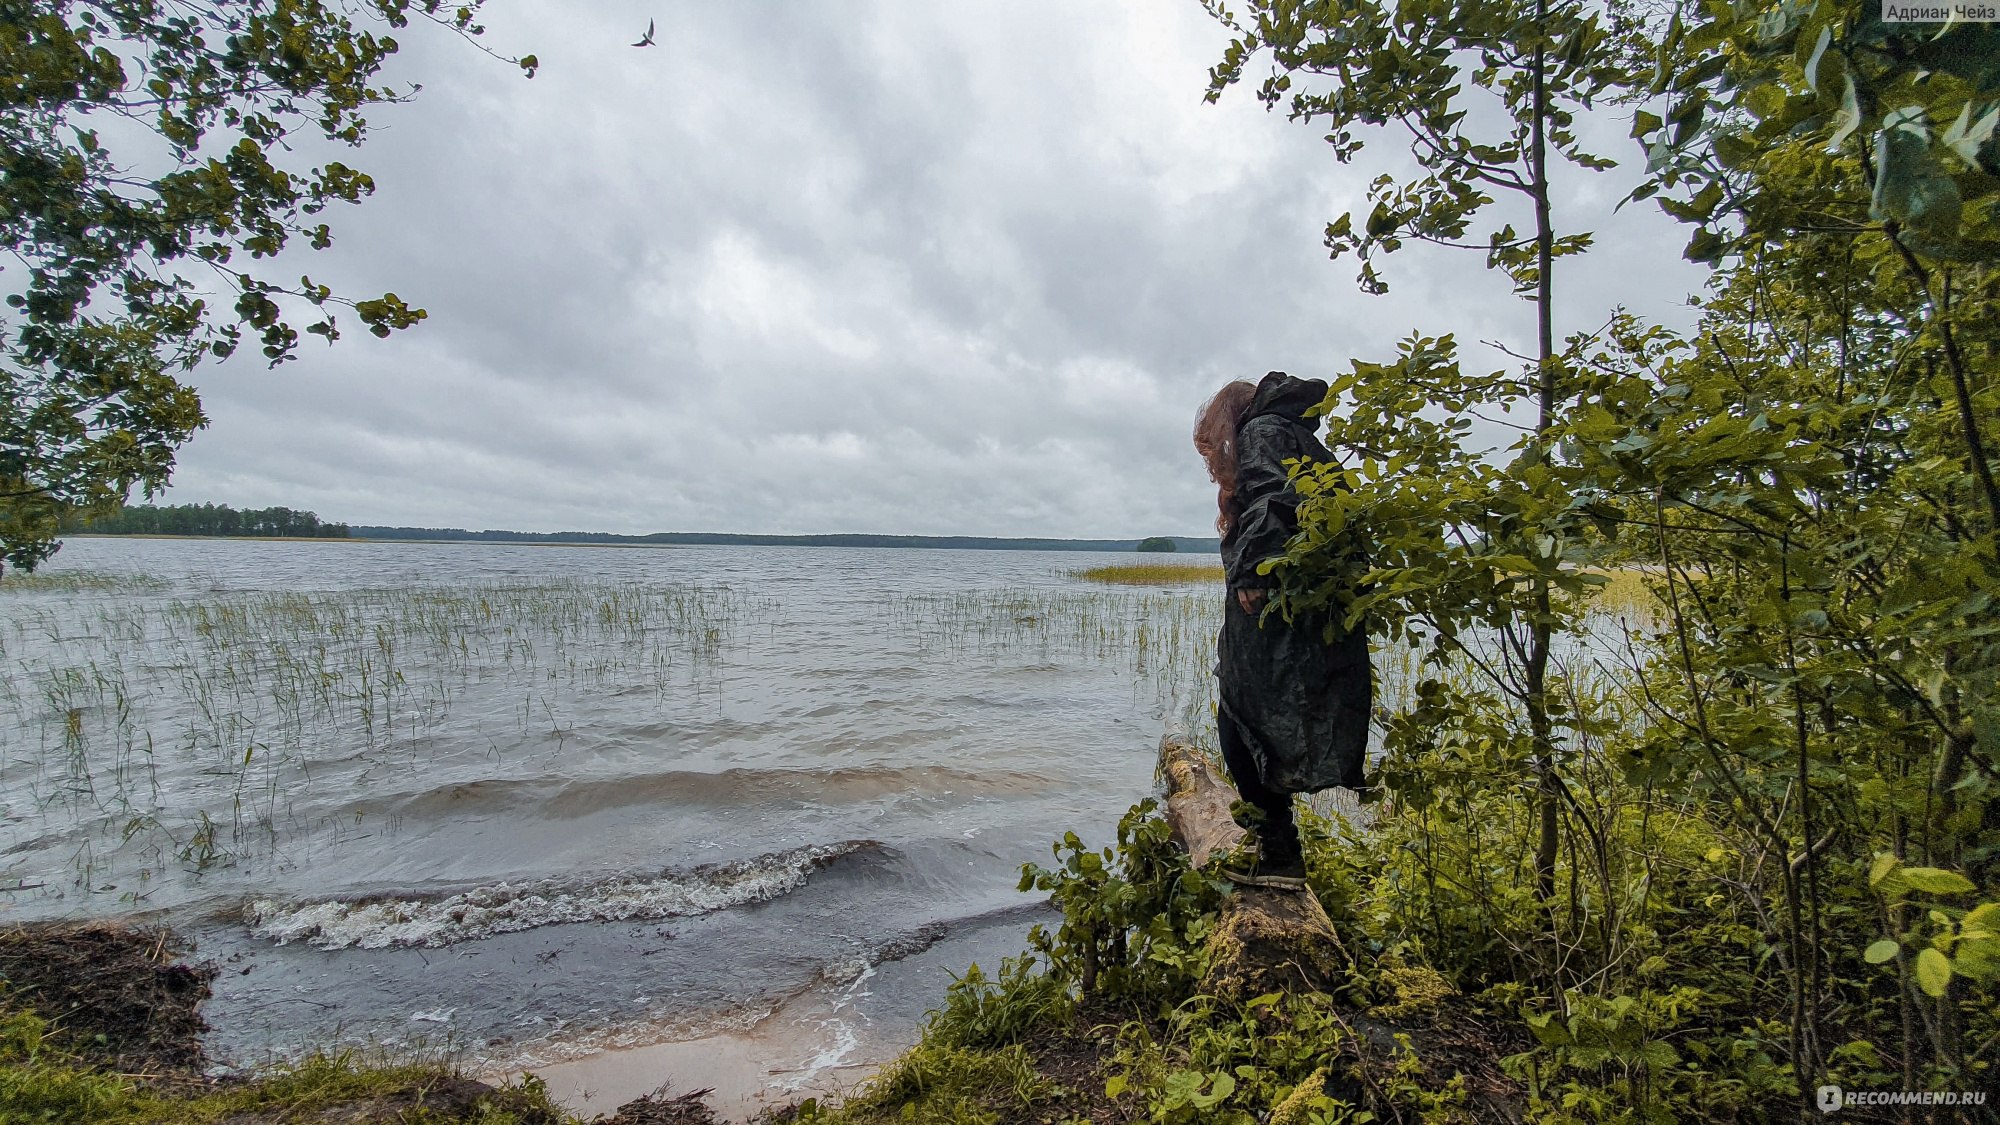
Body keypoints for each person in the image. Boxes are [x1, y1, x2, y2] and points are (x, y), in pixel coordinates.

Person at [1192, 371, 1372, 890]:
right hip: (1293, 599)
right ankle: (1276, 849)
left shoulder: (1263, 432)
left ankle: (1280, 853)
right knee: (1251, 721)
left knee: (1242, 723)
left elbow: (1275, 496)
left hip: (1275, 599)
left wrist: (1251, 568)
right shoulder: (1288, 431)